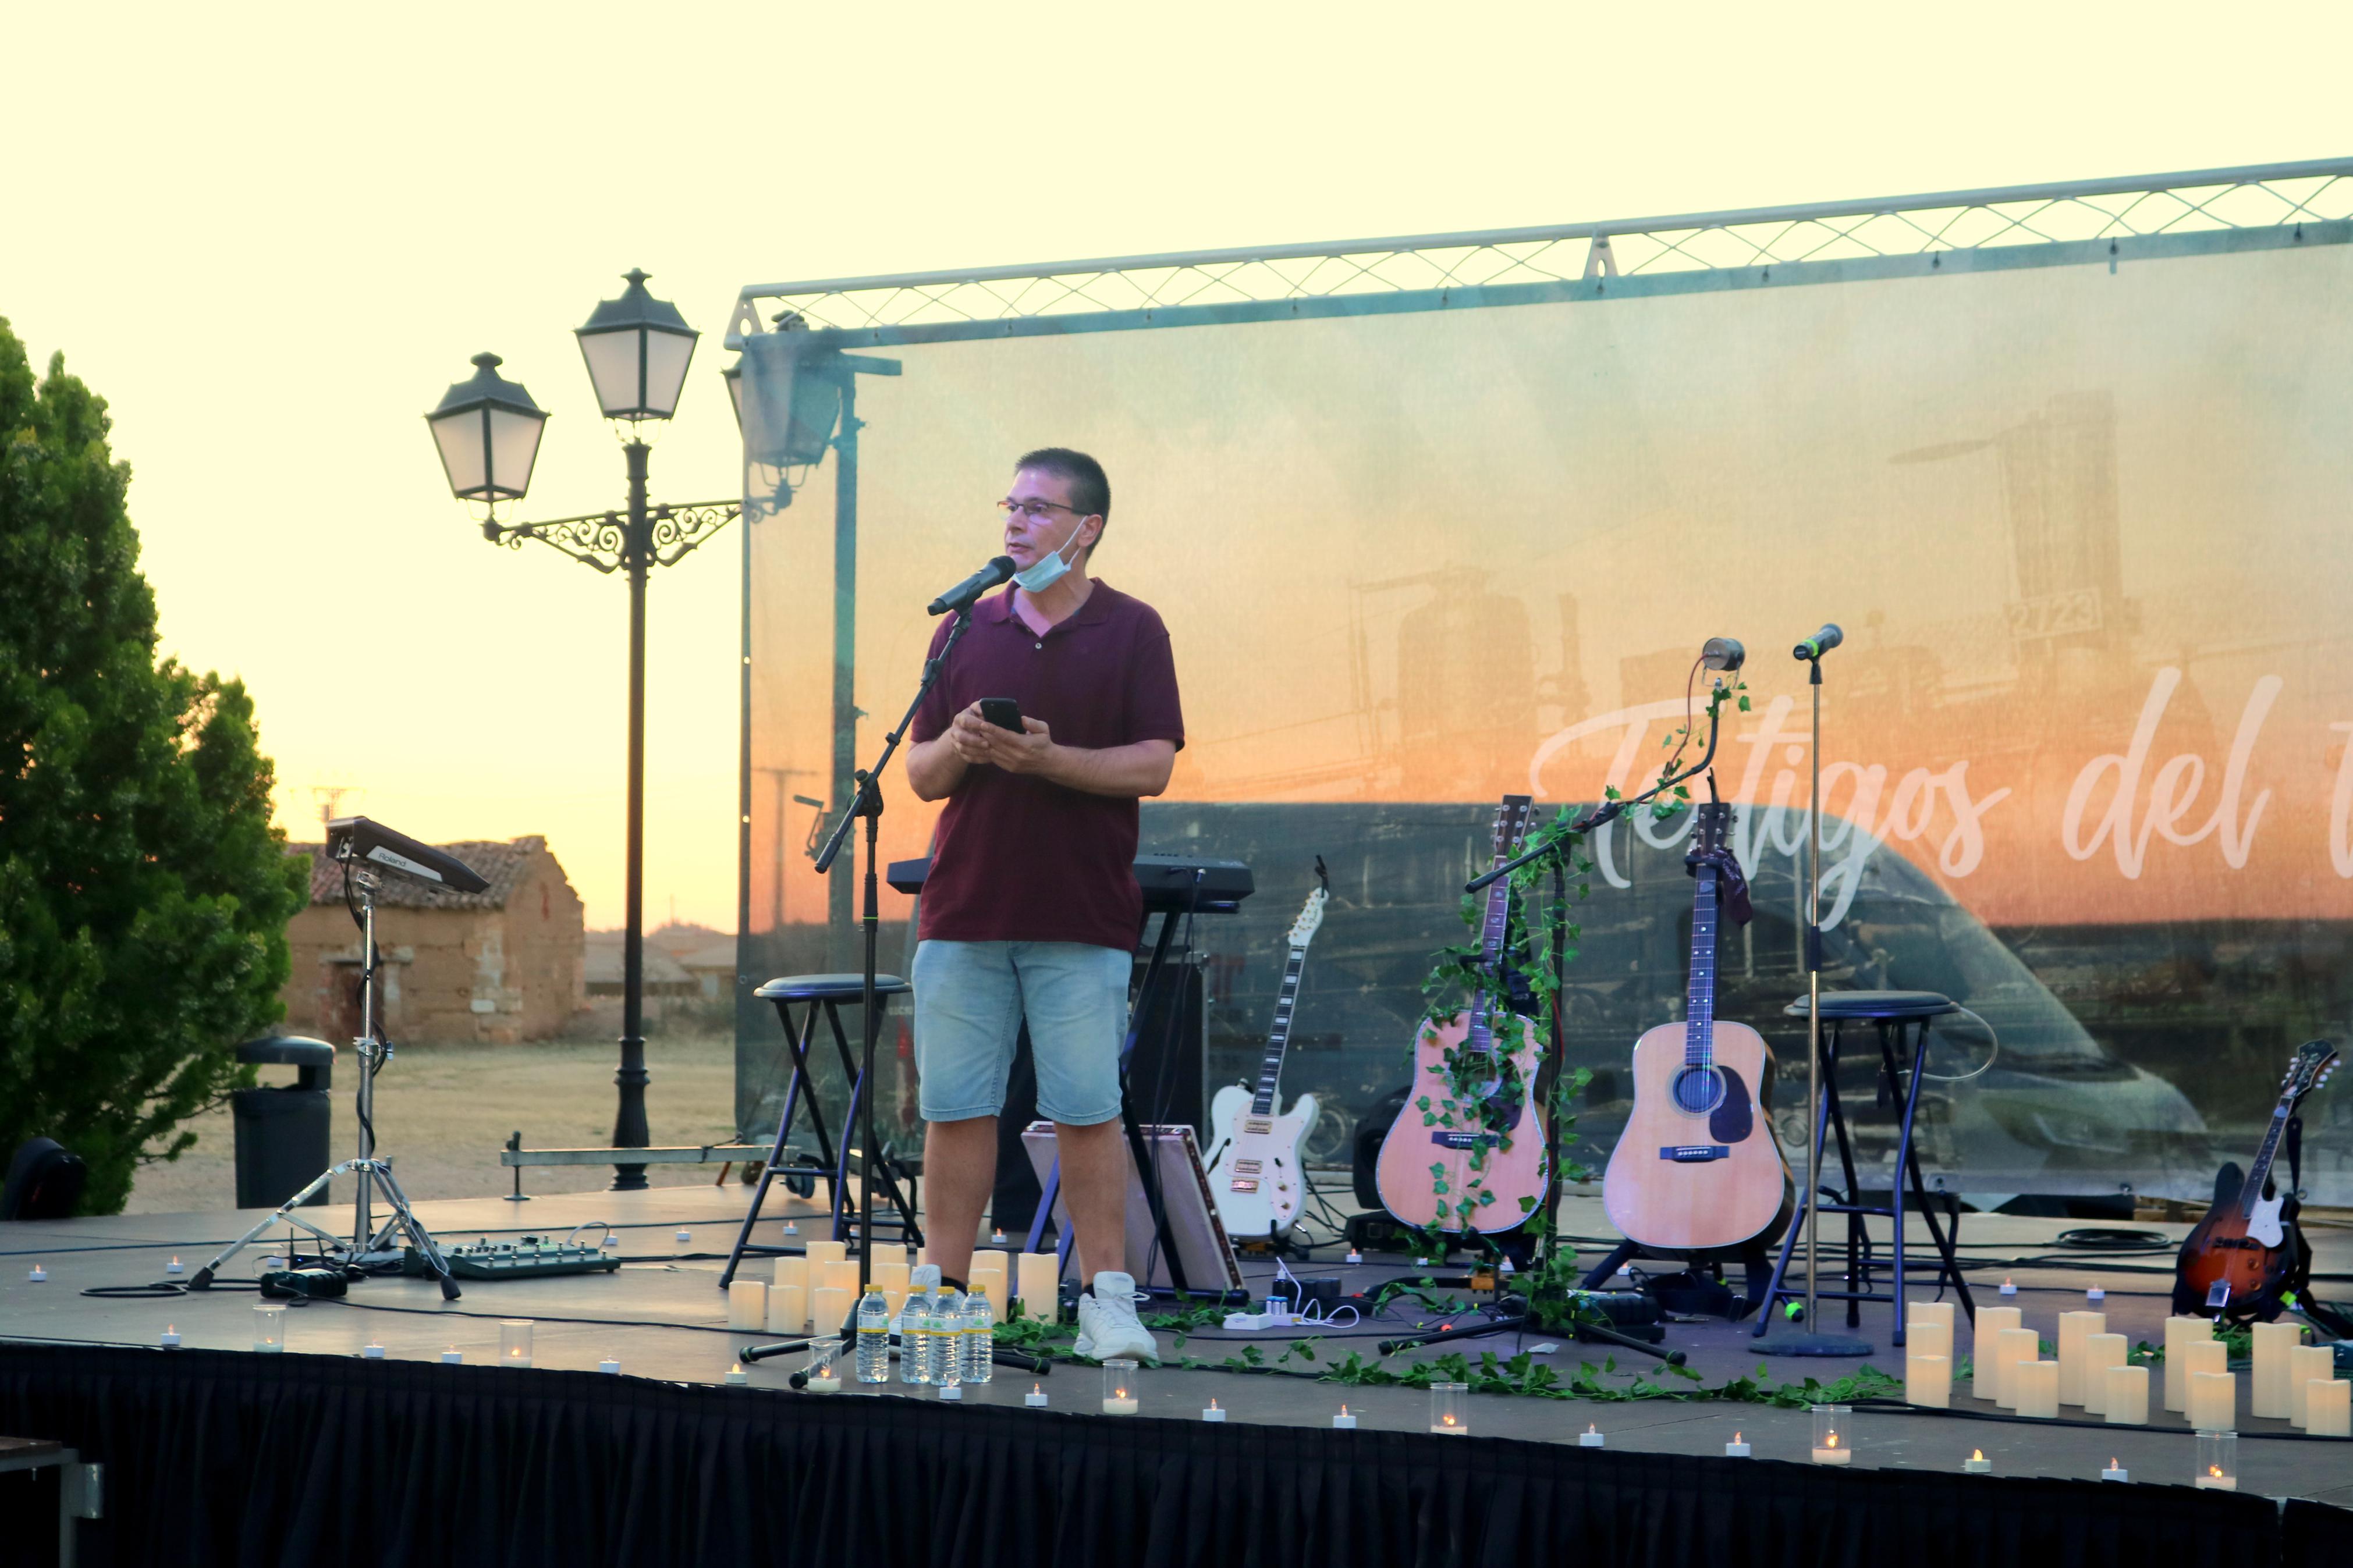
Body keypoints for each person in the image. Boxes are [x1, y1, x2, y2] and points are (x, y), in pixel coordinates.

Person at [903, 447, 1183, 1364]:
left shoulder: (1134, 629)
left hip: (1080, 915)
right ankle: (941, 1297)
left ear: (1086, 528)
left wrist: (1047, 760)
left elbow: (1154, 763)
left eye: (1036, 508)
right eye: (1008, 506)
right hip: (963, 912)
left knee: (1085, 1109)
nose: (1014, 523)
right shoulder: (961, 631)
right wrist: (963, 741)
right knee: (955, 1109)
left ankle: (1107, 1298)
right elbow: (917, 775)